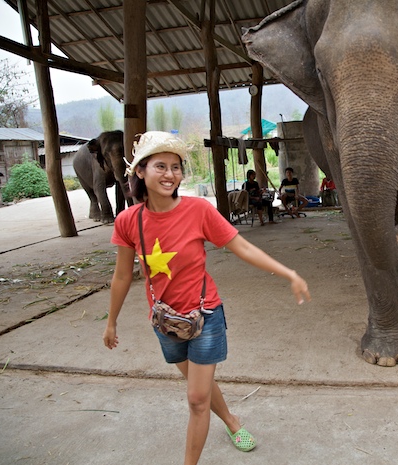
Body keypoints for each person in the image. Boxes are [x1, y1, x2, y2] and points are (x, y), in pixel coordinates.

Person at [102, 131, 311, 465]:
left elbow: (241, 246)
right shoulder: (129, 221)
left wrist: (289, 273)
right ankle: (231, 420)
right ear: (140, 171)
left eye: (176, 166)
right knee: (201, 386)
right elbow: (123, 275)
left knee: (197, 399)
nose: (170, 174)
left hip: (206, 315)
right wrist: (111, 322)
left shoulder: (199, 210)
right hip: (165, 321)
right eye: (160, 166)